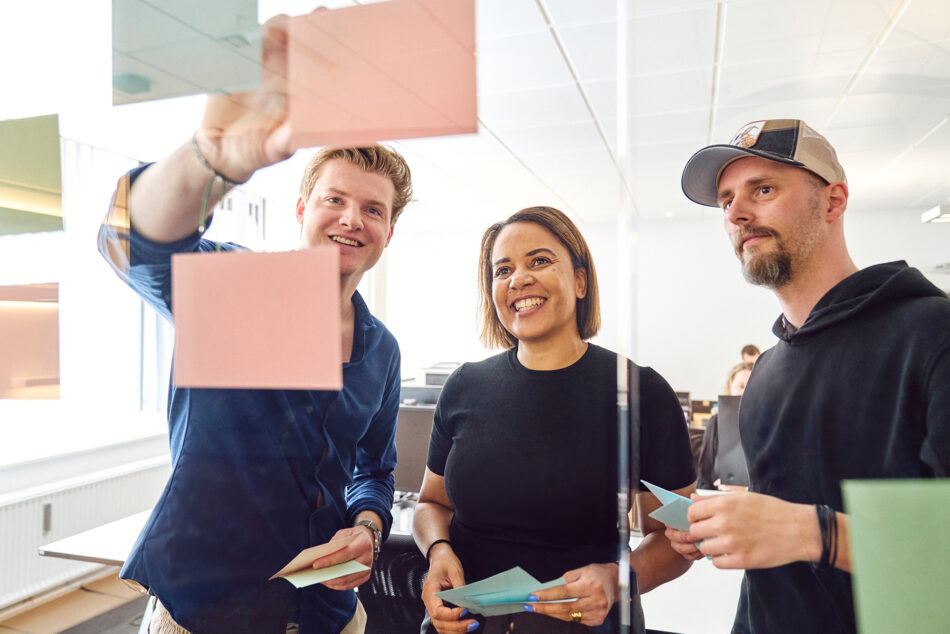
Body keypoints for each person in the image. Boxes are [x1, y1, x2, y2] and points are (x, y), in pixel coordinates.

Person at [97, 15, 413, 633]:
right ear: (302, 209)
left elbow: (374, 469)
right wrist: (208, 159)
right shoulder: (238, 289)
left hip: (328, 615)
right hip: (206, 612)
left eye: (372, 209)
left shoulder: (383, 351)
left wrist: (368, 529)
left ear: (388, 232)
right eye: (334, 199)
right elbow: (127, 242)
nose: (352, 219)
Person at [668, 118, 950, 633]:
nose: (738, 213)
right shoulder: (767, 372)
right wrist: (736, 524)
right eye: (727, 200)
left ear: (834, 201)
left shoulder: (931, 333)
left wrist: (812, 533)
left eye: (764, 189)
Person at [412, 206, 696, 633]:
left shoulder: (641, 392)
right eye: (502, 269)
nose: (518, 279)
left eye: (539, 261)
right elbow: (432, 503)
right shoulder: (465, 386)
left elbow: (677, 538)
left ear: (580, 281)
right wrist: (438, 552)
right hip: (468, 624)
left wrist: (620, 581)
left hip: (585, 625)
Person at [695, 361, 753, 490]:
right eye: (740, 386)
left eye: (750, 386)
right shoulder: (716, 422)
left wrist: (745, 490)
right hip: (718, 496)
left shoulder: (767, 425)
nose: (745, 392)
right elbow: (704, 477)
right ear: (730, 386)